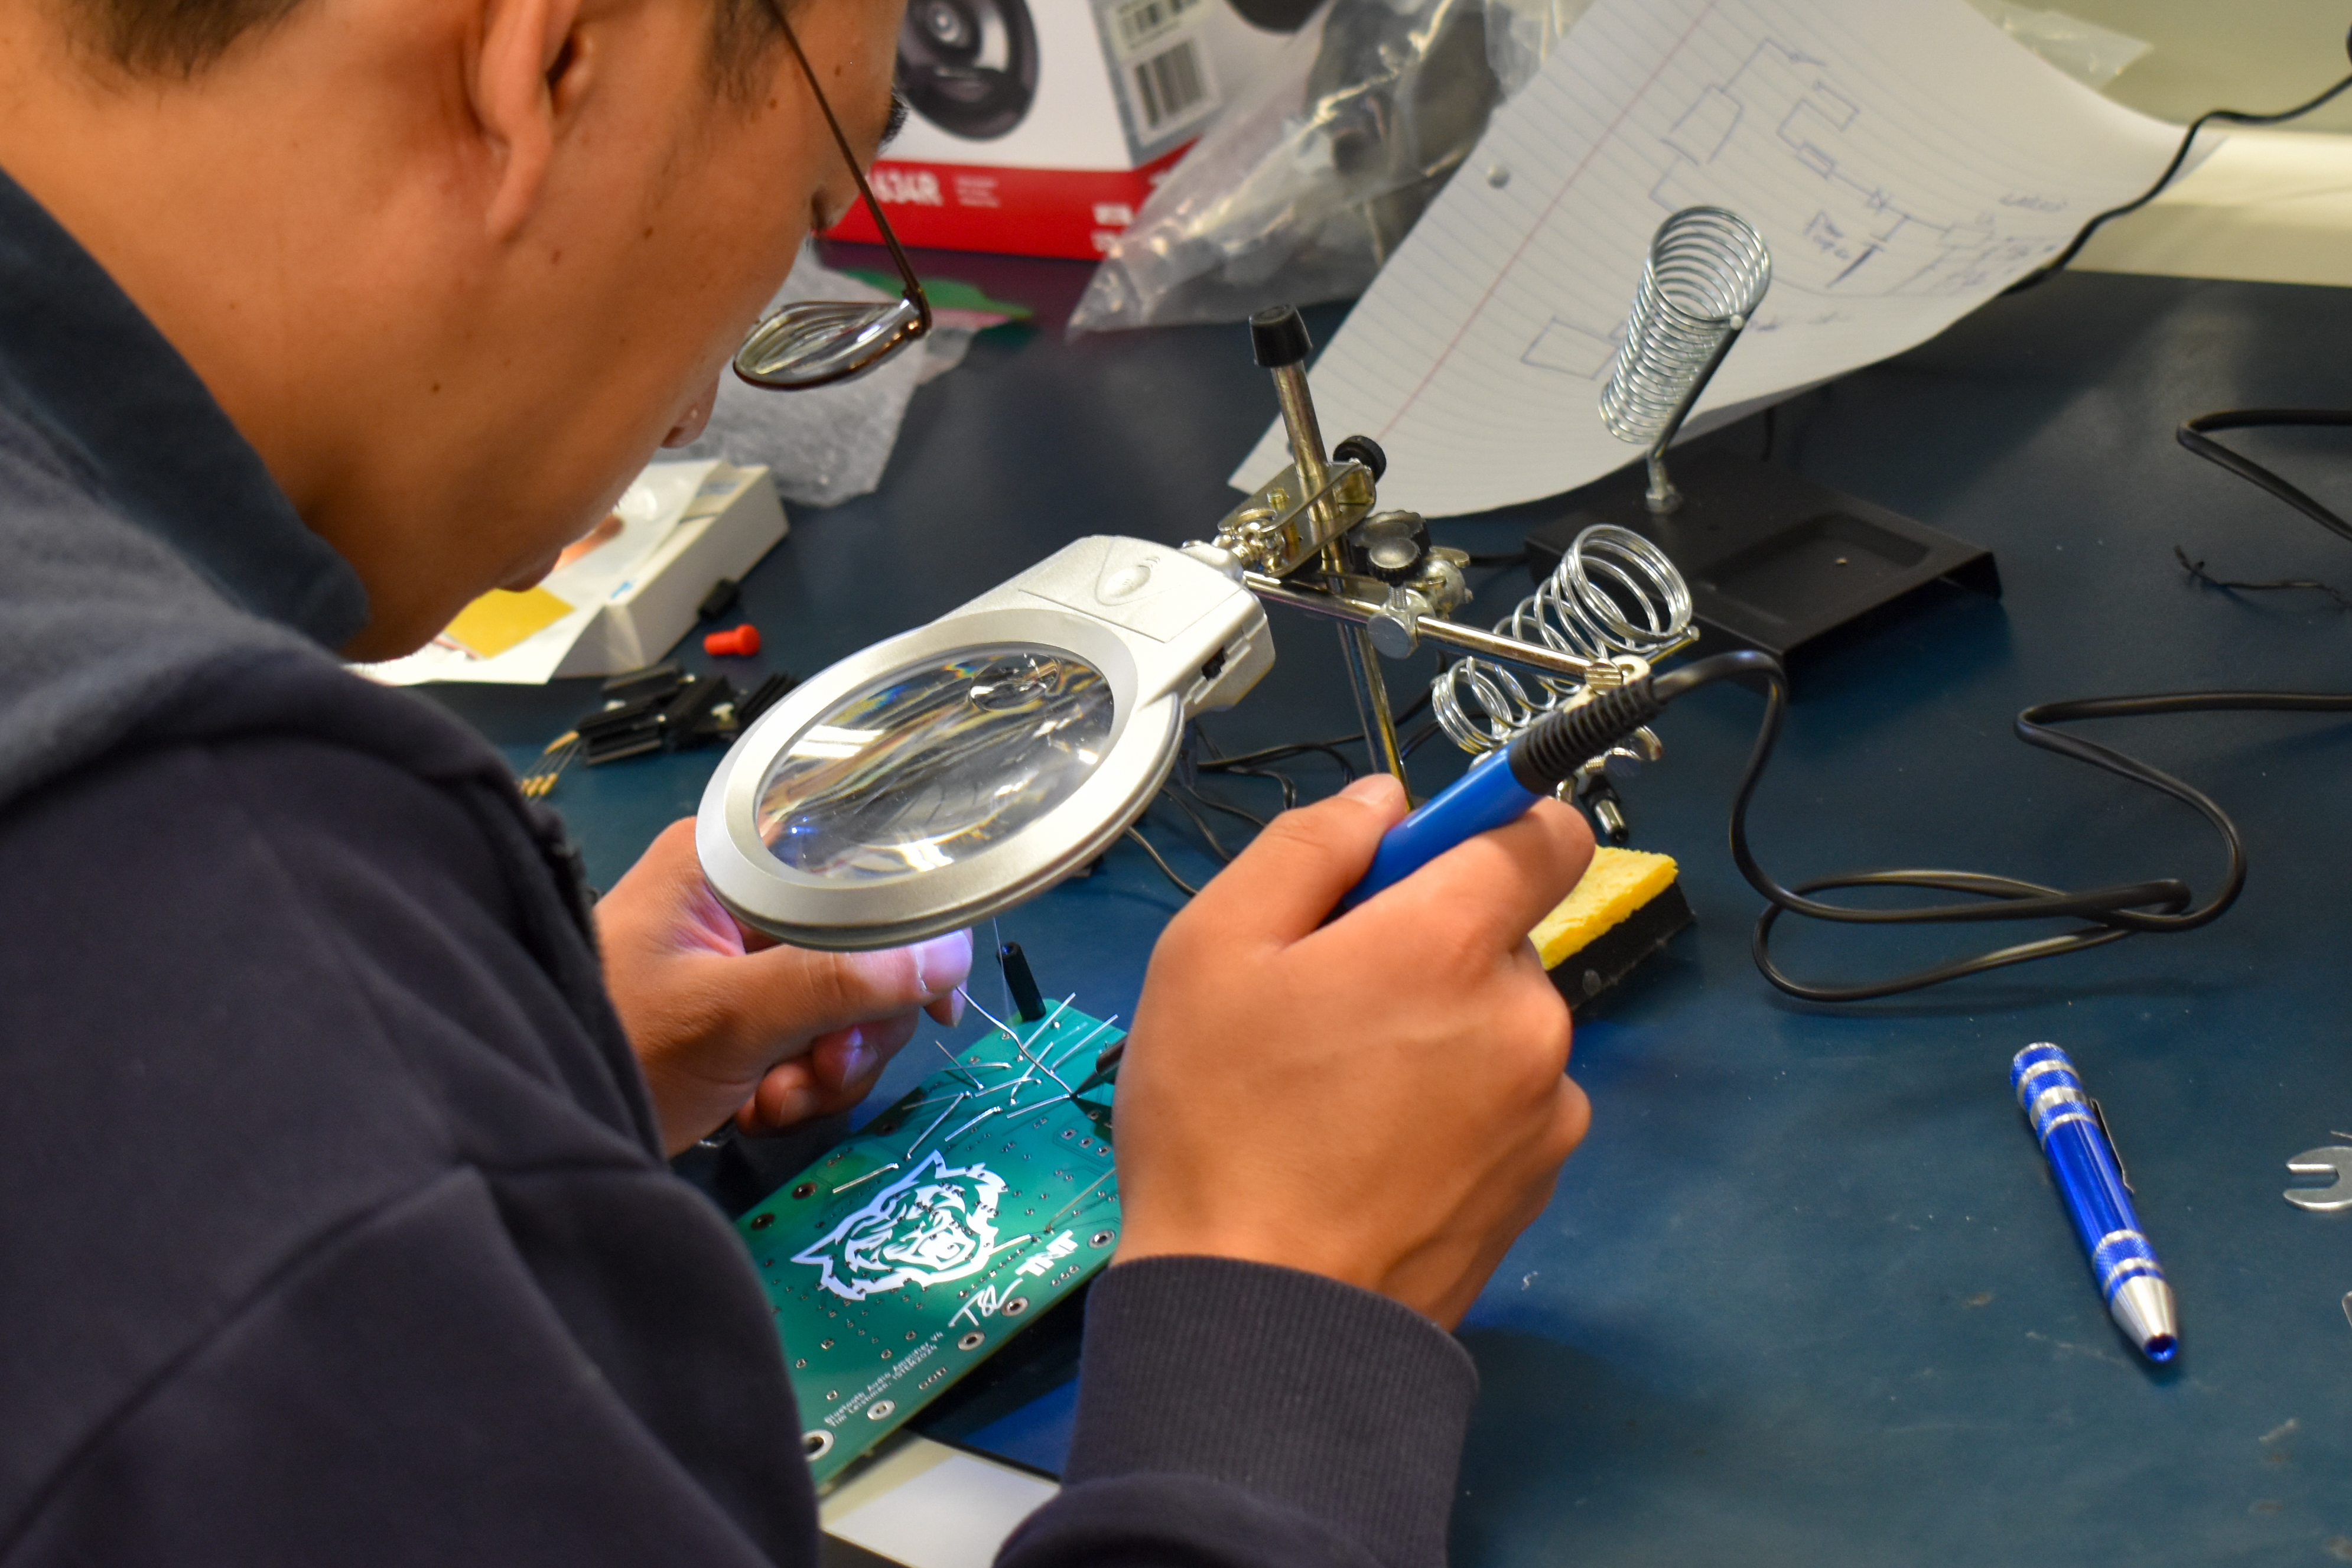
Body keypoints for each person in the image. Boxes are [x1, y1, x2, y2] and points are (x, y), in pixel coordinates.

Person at [0, 0, 1596, 1563]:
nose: (697, 411)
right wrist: (1285, 1326)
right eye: (814, 212)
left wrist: (498, 1095)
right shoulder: (187, 893)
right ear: (540, 60)